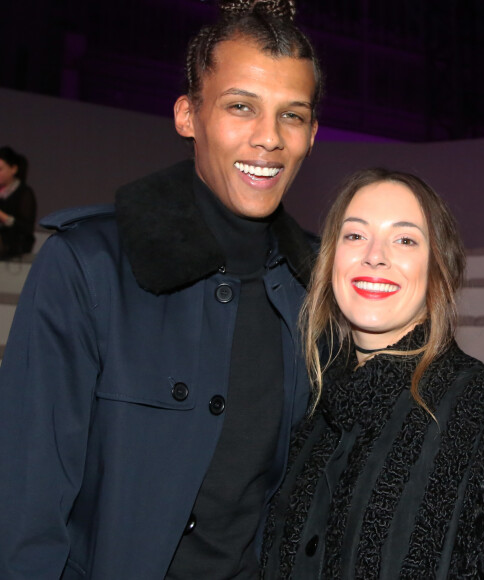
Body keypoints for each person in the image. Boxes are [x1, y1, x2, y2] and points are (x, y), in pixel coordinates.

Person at [0, 1, 321, 578]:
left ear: (311, 133)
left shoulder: (315, 291)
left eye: (291, 115)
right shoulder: (87, 266)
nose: (269, 138)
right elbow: (26, 509)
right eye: (241, 106)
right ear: (187, 116)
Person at [261, 168, 484, 578]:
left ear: (438, 269)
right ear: (329, 259)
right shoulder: (307, 413)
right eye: (355, 235)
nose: (374, 255)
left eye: (405, 239)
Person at [0, 146, 37, 258]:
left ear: (13, 169)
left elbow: (26, 227)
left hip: (16, 242)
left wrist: (3, 216)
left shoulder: (24, 192)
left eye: (0, 169)